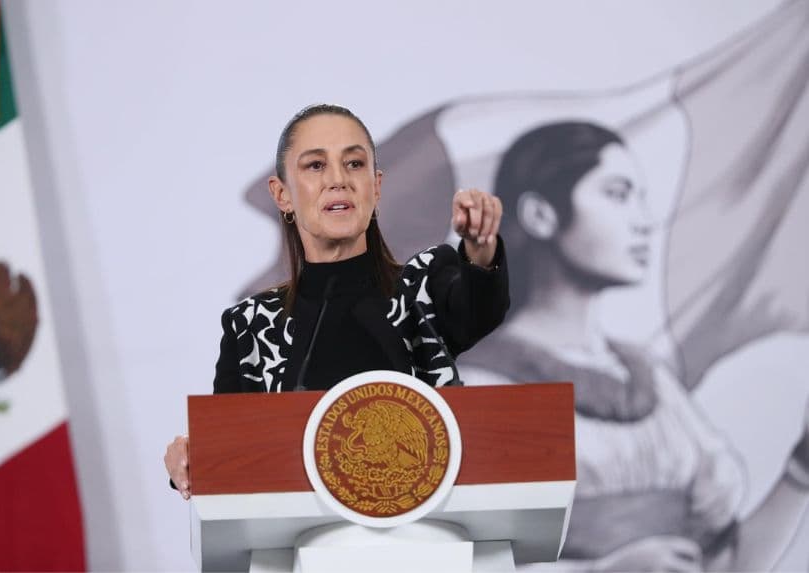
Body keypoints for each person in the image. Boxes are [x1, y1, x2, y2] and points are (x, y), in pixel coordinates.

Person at [459, 121, 809, 571]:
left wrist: (801, 469)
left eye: (641, 198)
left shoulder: (652, 382)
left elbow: (727, 562)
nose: (644, 221)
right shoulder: (494, 382)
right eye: (618, 194)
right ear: (541, 215)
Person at [164, 104, 509, 499]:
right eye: (315, 166)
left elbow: (481, 308)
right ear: (282, 195)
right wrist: (189, 461)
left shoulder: (424, 287)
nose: (338, 180)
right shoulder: (251, 326)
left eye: (355, 164)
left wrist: (481, 250)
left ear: (376, 187)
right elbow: (229, 455)